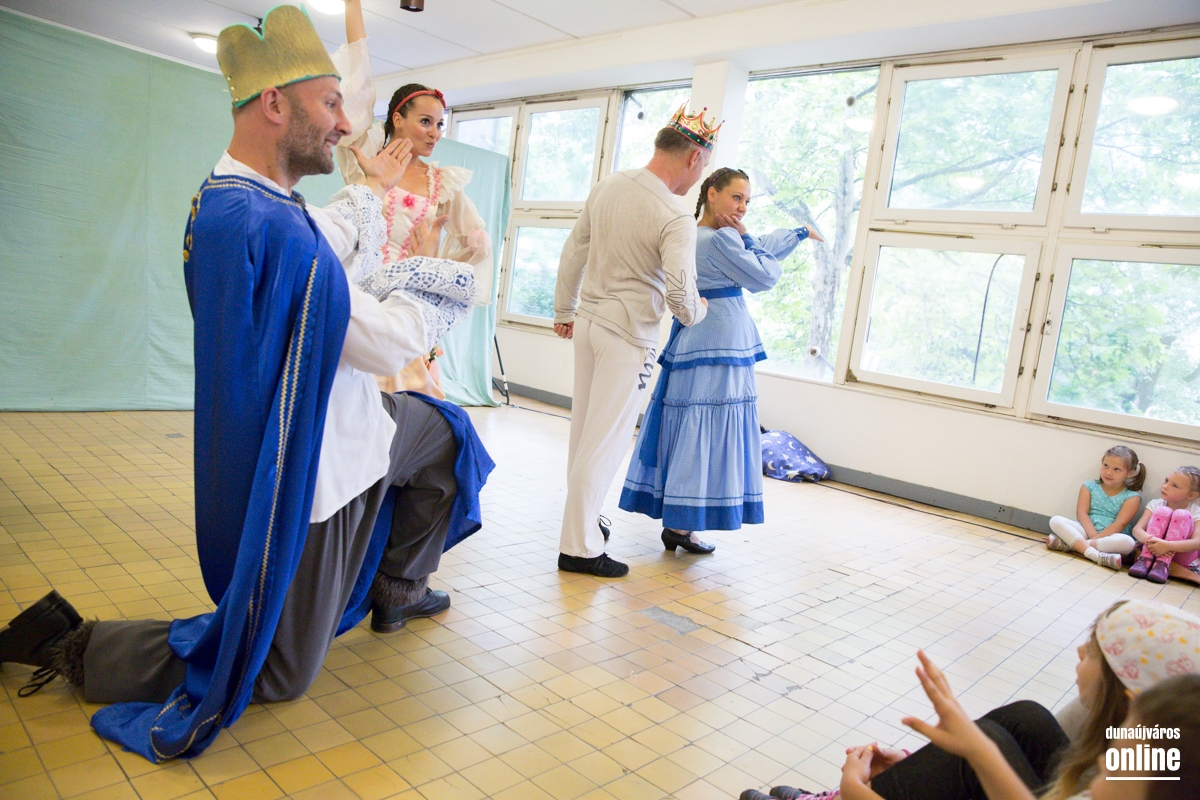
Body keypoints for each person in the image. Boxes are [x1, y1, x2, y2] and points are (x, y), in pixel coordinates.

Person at [0, 5, 492, 762]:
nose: (343, 124)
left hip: (359, 425)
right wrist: (444, 280)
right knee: (277, 671)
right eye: (330, 104)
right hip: (318, 461)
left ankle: (400, 589)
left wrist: (369, 192)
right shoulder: (265, 224)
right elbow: (382, 337)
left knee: (451, 440)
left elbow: (323, 240)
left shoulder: (243, 198)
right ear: (274, 105)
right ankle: (78, 646)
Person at [739, 598, 1200, 800]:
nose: (1080, 651)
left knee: (982, 748)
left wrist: (860, 795)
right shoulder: (1156, 752)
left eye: (1095, 652)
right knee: (1021, 721)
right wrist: (940, 761)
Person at [619, 167, 822, 554]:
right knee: (708, 429)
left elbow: (761, 247)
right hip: (722, 341)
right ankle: (681, 525)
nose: (742, 206)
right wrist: (747, 237)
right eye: (736, 197)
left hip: (694, 338)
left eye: (747, 201)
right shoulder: (723, 239)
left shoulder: (693, 234)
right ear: (712, 193)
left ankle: (678, 521)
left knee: (693, 425)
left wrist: (796, 234)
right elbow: (764, 275)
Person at [553, 105, 716, 578]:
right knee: (605, 442)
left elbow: (574, 250)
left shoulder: (609, 186)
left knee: (585, 435)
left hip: (589, 322)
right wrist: (700, 310)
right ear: (694, 158)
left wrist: (563, 309)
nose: (698, 176)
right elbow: (682, 297)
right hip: (629, 336)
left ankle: (587, 523)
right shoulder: (674, 215)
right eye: (703, 166)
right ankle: (579, 548)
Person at [332, 0, 492, 399]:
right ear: (397, 119)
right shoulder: (370, 157)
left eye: (439, 124)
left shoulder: (442, 182)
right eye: (425, 121)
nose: (435, 132)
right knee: (355, 393)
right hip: (359, 291)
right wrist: (353, 7)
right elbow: (359, 87)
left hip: (404, 302)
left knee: (407, 399)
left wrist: (435, 261)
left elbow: (474, 241)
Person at [1046, 446, 1144, 569]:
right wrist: (1092, 535)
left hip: (1109, 539)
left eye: (1117, 469)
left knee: (1128, 543)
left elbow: (1120, 524)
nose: (1108, 472)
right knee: (1055, 520)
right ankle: (1095, 555)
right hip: (1086, 531)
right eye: (1106, 466)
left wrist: (1096, 539)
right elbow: (1082, 513)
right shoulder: (1089, 486)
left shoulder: (1132, 497)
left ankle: (1074, 546)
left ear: (1129, 473)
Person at [1128, 466, 1200, 585]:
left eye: (1174, 485)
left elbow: (1197, 542)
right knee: (1163, 511)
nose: (1165, 486)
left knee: (1181, 515)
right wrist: (1153, 542)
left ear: (1191, 495)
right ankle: (1145, 561)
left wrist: (1167, 546)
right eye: (1166, 481)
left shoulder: (1196, 512)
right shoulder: (1155, 505)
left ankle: (1162, 565)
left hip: (1179, 555)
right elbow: (1137, 529)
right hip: (1151, 550)